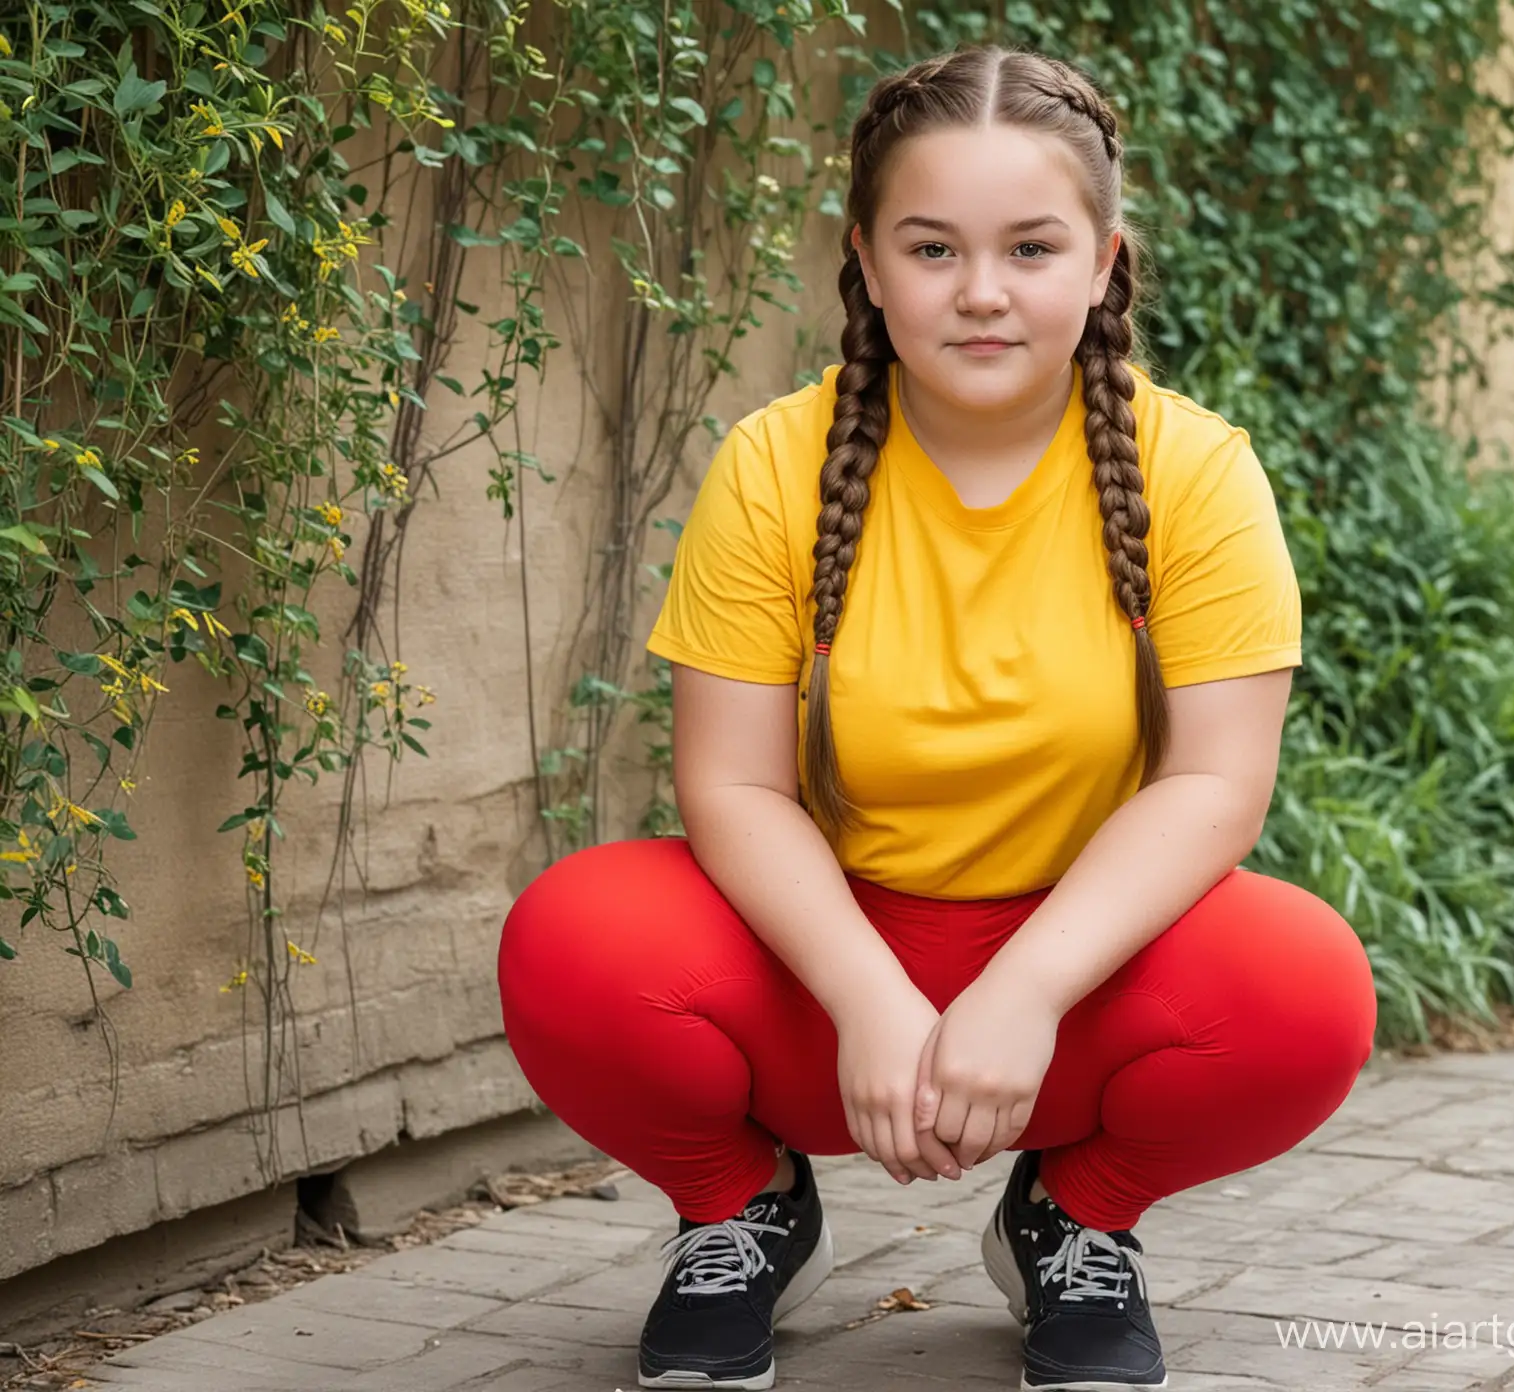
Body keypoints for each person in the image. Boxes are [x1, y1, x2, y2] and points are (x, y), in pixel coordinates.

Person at [498, 42, 1377, 1392]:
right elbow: (732, 788)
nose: (981, 294)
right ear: (865, 259)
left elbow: (1214, 787)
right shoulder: (774, 465)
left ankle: (1074, 1225)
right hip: (824, 961)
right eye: (931, 248)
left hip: (1076, 970)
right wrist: (867, 996)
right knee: (576, 941)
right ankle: (742, 1211)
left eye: (1031, 248)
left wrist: (1024, 989)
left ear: (1103, 261)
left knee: (1305, 993)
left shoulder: (1196, 475)